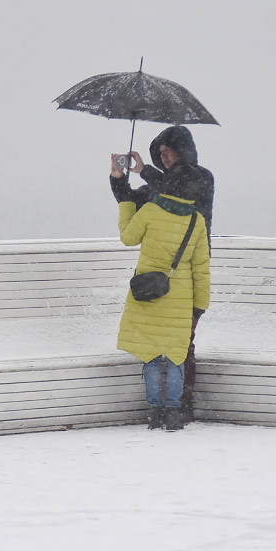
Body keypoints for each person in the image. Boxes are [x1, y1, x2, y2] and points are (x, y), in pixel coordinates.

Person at [109, 125, 215, 423]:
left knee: (182, 347)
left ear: (183, 153)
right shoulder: (160, 189)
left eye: (169, 153)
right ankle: (170, 409)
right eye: (161, 154)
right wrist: (119, 179)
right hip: (164, 283)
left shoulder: (199, 178)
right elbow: (131, 199)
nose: (165, 158)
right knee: (167, 347)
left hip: (188, 272)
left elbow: (175, 192)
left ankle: (179, 405)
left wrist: (143, 170)